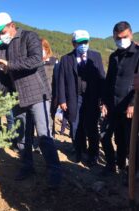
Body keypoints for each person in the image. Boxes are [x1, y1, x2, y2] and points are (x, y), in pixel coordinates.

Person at [0, 12, 61, 188]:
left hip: (38, 94)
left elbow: (36, 60)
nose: (1, 34)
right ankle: (27, 166)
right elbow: (7, 74)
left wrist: (10, 65)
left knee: (44, 135)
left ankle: (54, 171)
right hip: (18, 96)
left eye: (2, 30)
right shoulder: (3, 46)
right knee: (23, 135)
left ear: (12, 25)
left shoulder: (29, 37)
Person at [58, 30, 105, 166]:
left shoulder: (96, 56)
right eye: (80, 42)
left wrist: (103, 100)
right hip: (74, 98)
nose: (84, 45)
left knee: (91, 127)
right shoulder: (66, 59)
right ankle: (79, 150)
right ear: (74, 44)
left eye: (86, 42)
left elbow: (101, 77)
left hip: (92, 98)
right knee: (75, 126)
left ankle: (93, 154)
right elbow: (61, 80)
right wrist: (62, 99)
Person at [101, 21, 139, 174]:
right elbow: (109, 80)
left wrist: (133, 103)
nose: (121, 40)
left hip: (129, 106)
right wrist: (103, 102)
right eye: (118, 38)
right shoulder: (113, 56)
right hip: (112, 105)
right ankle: (112, 165)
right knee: (105, 135)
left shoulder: (138, 53)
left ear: (131, 34)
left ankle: (132, 171)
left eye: (125, 37)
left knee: (130, 141)